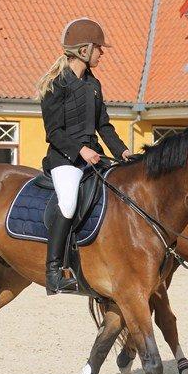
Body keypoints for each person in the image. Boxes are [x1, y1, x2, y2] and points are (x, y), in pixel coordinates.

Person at [35, 18, 132, 295]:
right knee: (68, 202)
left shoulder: (93, 84)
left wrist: (122, 151)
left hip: (94, 156)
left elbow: (104, 126)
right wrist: (80, 150)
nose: (102, 53)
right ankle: (53, 271)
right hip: (64, 159)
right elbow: (54, 132)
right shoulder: (56, 84)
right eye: (99, 48)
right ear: (84, 50)